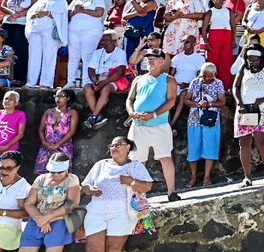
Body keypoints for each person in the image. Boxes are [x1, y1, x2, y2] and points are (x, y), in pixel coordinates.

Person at [74, 137, 153, 252]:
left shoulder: (135, 166)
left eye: (119, 144)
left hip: (122, 211)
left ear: (128, 147)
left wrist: (130, 181)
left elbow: (147, 186)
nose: (114, 147)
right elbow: (85, 186)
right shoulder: (100, 165)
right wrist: (90, 190)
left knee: (113, 250)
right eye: (112, 145)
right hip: (97, 210)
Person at [5, 152, 79, 252]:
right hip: (37, 220)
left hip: (59, 221)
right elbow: (29, 203)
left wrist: (48, 217)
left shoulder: (72, 180)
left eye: (59, 172)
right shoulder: (41, 179)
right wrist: (41, 219)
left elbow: (71, 204)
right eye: (53, 171)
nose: (56, 175)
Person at [125, 54, 180, 201]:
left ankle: (171, 192)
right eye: (148, 58)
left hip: (159, 126)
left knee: (165, 158)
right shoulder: (138, 79)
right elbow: (130, 99)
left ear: (162, 61)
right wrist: (131, 113)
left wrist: (153, 114)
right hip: (138, 126)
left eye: (153, 58)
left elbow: (171, 101)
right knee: (137, 160)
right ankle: (138, 194)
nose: (149, 60)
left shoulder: (169, 80)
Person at [234, 45, 264, 186]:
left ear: (261, 58)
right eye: (249, 60)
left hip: (261, 109)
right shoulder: (244, 67)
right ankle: (247, 177)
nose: (252, 63)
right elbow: (235, 87)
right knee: (244, 142)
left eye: (255, 60)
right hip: (245, 109)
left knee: (261, 139)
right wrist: (239, 104)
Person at [184, 62, 225, 187]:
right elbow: (187, 99)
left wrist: (209, 104)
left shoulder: (218, 83)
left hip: (211, 119)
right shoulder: (195, 82)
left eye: (210, 76)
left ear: (214, 74)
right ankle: (193, 177)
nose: (207, 79)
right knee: (193, 147)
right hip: (194, 119)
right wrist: (197, 104)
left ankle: (207, 177)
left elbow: (222, 101)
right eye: (204, 76)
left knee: (210, 147)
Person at [23, 0, 68, 89]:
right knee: (34, 57)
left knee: (49, 57)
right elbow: (30, 12)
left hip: (49, 31)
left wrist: (48, 13)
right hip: (36, 30)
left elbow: (62, 17)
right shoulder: (42, 0)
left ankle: (46, 83)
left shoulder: (61, 1)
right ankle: (31, 82)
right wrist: (34, 15)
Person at [82, 30, 129, 129]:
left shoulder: (120, 53)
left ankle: (93, 116)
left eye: (107, 40)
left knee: (106, 89)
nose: (104, 42)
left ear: (114, 41)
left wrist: (104, 82)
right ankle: (99, 117)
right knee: (87, 88)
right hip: (99, 79)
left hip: (112, 80)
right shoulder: (97, 53)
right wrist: (94, 80)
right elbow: (91, 68)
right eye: (102, 40)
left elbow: (120, 71)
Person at [66, 0, 106, 88]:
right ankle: (71, 81)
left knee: (87, 55)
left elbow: (99, 13)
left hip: (90, 31)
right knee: (73, 56)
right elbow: (68, 14)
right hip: (74, 30)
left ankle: (86, 82)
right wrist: (75, 11)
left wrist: (84, 10)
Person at [0, 0, 36, 81]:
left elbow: (33, 7)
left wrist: (18, 15)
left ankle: (19, 77)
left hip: (21, 24)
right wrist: (11, 13)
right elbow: (3, 6)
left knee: (20, 51)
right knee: (7, 50)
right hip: (8, 23)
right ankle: (5, 75)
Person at [35, 87, 79, 174]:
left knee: (61, 173)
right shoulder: (48, 112)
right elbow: (41, 129)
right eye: (56, 96)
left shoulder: (72, 113)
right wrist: (44, 143)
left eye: (61, 96)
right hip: (47, 147)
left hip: (63, 147)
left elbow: (72, 131)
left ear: (68, 98)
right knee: (43, 174)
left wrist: (58, 144)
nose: (58, 98)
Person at [0, 90, 26, 174]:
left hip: (9, 151)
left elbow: (20, 134)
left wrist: (6, 147)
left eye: (11, 99)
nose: (7, 101)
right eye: (5, 99)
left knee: (6, 175)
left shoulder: (20, 115)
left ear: (16, 103)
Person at [202, 0, 237, 90]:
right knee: (213, 60)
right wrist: (206, 42)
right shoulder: (210, 12)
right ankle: (211, 84)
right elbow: (204, 29)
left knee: (226, 61)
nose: (221, 0)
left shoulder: (228, 11)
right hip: (214, 36)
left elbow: (233, 25)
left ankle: (225, 86)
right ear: (213, 0)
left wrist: (233, 40)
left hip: (227, 36)